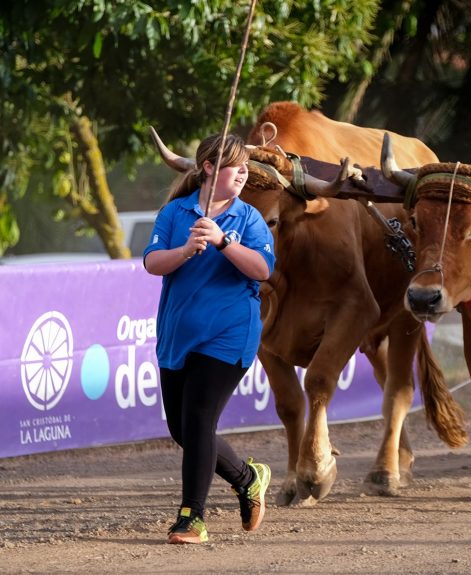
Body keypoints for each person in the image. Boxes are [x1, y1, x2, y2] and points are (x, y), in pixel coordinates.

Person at [143, 132, 276, 545]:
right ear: (209, 169)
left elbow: (262, 269)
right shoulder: (174, 213)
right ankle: (247, 478)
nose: (244, 175)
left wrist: (222, 242)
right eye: (237, 168)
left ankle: (191, 517)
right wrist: (185, 250)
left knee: (200, 418)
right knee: (184, 430)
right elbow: (152, 263)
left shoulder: (249, 218)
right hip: (178, 334)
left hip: (228, 335)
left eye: (246, 169)